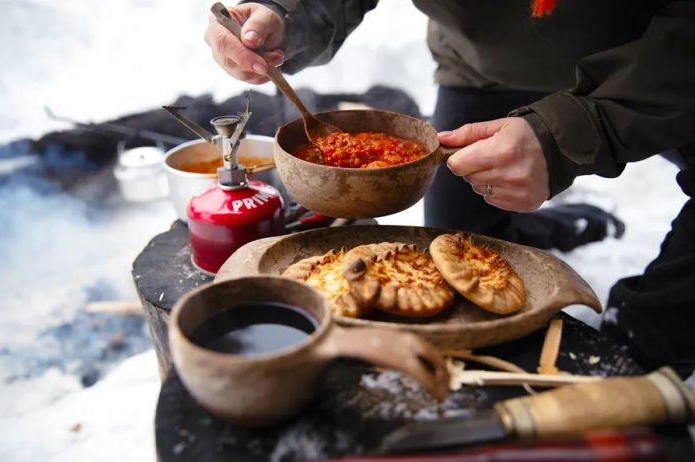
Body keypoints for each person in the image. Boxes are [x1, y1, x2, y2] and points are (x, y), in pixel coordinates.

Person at [204, 1, 695, 378]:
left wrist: (575, 133)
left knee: (646, 340)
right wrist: (285, 11)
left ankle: (639, 350)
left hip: (654, 66)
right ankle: (543, 227)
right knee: (458, 238)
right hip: (482, 70)